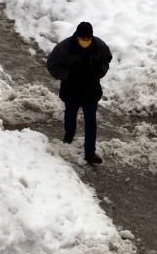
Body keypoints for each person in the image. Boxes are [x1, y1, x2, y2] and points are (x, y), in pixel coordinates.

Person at [46, 21, 112, 164]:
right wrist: (67, 75)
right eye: (83, 38)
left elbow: (106, 60)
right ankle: (69, 136)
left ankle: (90, 153)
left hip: (90, 90)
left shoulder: (99, 46)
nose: (85, 41)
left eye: (88, 39)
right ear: (77, 36)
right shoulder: (64, 48)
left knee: (91, 122)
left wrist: (100, 71)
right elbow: (51, 65)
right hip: (71, 90)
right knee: (70, 115)